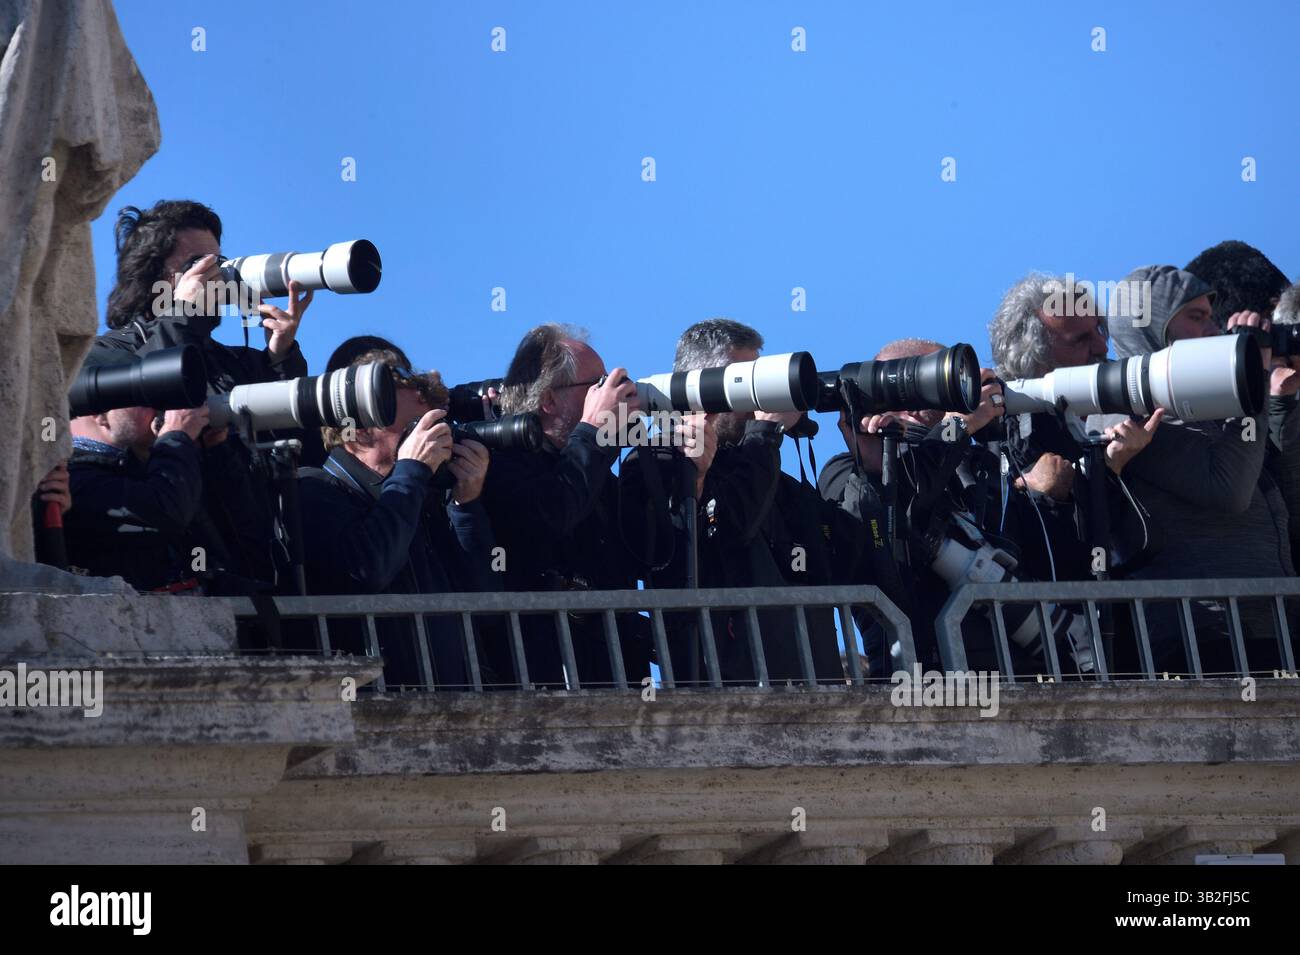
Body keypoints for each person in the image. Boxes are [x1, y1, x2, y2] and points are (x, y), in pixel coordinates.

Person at [620, 319, 854, 685]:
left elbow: (852, 559)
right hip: (724, 695)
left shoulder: (773, 477)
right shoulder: (655, 461)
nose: (755, 400)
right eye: (743, 381)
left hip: (815, 693)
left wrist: (870, 461)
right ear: (702, 384)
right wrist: (764, 434)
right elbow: (732, 528)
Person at [1096, 265, 1299, 673]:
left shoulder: (1217, 405)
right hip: (1205, 639)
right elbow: (1228, 490)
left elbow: (1290, 500)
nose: (1214, 330)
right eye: (1196, 317)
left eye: (1212, 316)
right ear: (1151, 326)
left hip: (1278, 626)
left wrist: (1280, 402)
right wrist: (1253, 382)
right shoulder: (1119, 415)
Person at [296, 349, 496, 690]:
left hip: (460, 707)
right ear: (357, 427)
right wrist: (412, 471)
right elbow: (367, 569)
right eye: (415, 425)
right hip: (371, 713)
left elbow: (485, 596)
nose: (430, 425)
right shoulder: (312, 488)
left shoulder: (422, 494)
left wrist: (466, 503)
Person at [479, 324, 649, 688]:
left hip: (618, 683)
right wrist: (592, 432)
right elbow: (554, 513)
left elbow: (651, 554)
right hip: (540, 686)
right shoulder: (498, 463)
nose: (611, 394)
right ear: (549, 400)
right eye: (598, 385)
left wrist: (682, 471)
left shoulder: (600, 472)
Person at [988, 273, 1162, 584]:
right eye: (1080, 340)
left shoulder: (1122, 411)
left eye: (1099, 330)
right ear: (1037, 360)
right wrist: (1105, 469)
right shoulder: (1003, 439)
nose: (1100, 346)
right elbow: (1058, 555)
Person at [59, 403, 266, 593]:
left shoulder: (150, 468)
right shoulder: (72, 479)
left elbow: (241, 537)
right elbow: (167, 512)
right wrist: (175, 439)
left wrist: (215, 455)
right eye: (143, 399)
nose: (161, 409)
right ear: (99, 413)